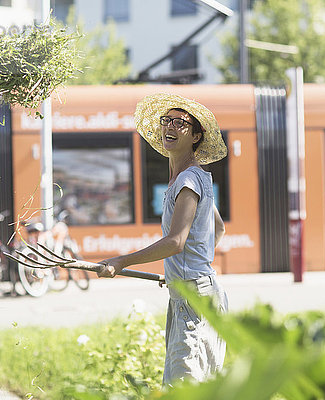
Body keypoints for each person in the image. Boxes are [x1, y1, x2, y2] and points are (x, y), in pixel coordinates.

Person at [96, 93, 229, 386]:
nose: (169, 125)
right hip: (194, 292)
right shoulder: (194, 178)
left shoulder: (188, 180)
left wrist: (121, 261)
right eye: (166, 120)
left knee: (184, 388)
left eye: (180, 122)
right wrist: (178, 271)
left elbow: (176, 241)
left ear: (196, 136)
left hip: (193, 299)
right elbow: (217, 229)